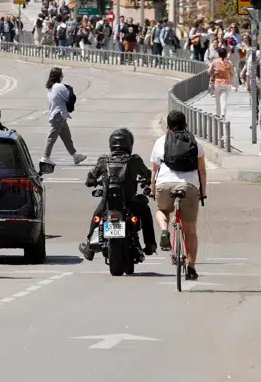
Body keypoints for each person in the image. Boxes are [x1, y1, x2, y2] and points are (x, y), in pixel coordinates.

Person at [78, 128, 156, 261]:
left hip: (108, 202)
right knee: (145, 211)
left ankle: (90, 248)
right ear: (129, 144)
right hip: (129, 201)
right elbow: (147, 174)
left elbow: (89, 179)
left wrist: (94, 181)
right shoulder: (134, 160)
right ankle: (150, 245)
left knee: (97, 215)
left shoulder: (104, 160)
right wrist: (148, 181)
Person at [151, 110, 206, 281]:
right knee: (190, 229)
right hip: (189, 187)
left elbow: (154, 170)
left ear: (167, 127)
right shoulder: (196, 143)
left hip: (165, 184)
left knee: (161, 210)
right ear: (186, 125)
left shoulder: (160, 142)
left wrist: (153, 189)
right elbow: (202, 171)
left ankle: (165, 231)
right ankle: (191, 268)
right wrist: (203, 192)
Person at [42, 67, 87, 166]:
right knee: (51, 137)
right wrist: (69, 89)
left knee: (67, 137)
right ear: (58, 76)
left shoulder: (51, 87)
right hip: (59, 116)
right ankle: (45, 157)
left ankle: (75, 156)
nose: (63, 76)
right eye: (62, 75)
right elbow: (70, 97)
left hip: (58, 115)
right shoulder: (59, 87)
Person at [208, 45, 234, 120]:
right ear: (226, 54)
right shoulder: (229, 63)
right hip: (226, 83)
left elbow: (209, 72)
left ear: (218, 54)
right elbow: (232, 73)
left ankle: (217, 113)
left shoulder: (215, 62)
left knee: (217, 99)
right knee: (224, 100)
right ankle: (223, 114)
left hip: (217, 83)